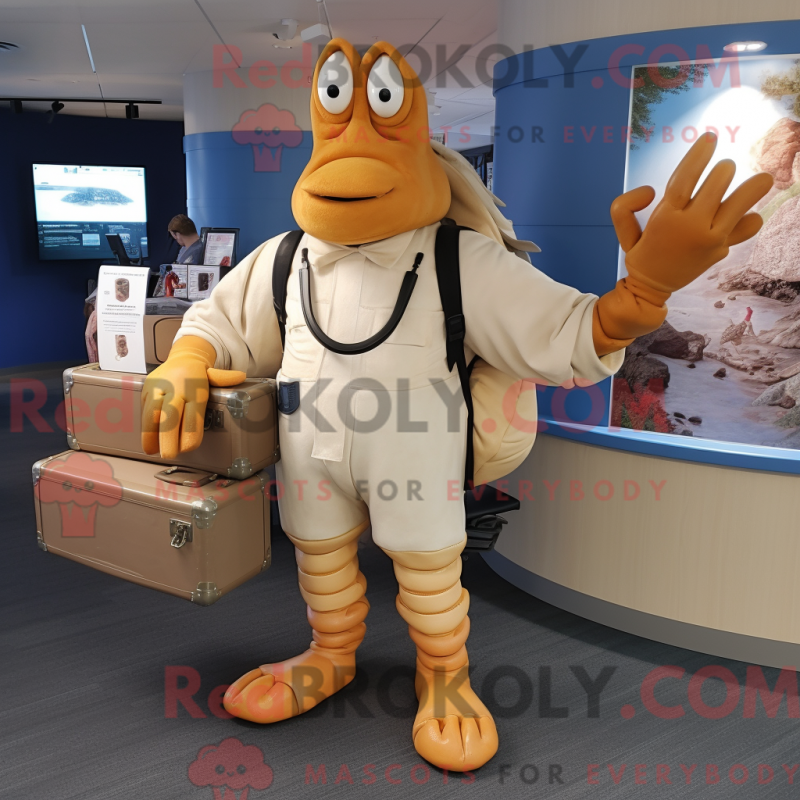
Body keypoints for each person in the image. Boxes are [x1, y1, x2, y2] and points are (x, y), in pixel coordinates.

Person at [141, 40, 772, 772]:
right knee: (318, 557)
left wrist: (643, 293)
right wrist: (186, 361)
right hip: (307, 445)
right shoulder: (288, 255)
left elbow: (565, 333)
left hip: (416, 447)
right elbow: (219, 322)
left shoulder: (456, 256)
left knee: (429, 569)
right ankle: (329, 654)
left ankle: (445, 676)